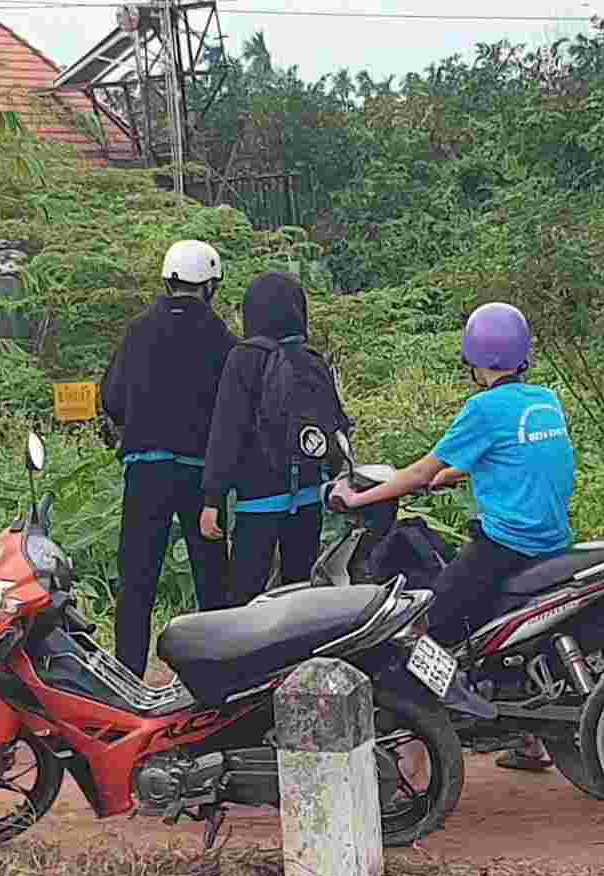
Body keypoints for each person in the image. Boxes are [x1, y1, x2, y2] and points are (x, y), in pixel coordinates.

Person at [334, 302, 578, 772]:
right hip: (555, 541)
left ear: (475, 358)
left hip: (508, 544)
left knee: (421, 631)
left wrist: (358, 500)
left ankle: (417, 751)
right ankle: (530, 740)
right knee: (498, 637)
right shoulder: (545, 400)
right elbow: (524, 460)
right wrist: (461, 472)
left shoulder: (483, 408)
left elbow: (420, 472)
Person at [99, 239, 236, 679]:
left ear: (168, 281)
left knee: (137, 582)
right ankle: (213, 680)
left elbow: (112, 398)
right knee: (211, 580)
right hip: (200, 476)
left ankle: (125, 679)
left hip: (145, 469)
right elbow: (232, 411)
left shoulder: (137, 330)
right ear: (210, 286)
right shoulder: (223, 339)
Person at [200, 270, 352, 605]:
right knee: (301, 595)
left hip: (257, 502)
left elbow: (227, 432)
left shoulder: (243, 358)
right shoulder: (312, 360)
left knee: (244, 596)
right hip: (309, 498)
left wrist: (212, 499)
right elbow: (336, 425)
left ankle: (244, 655)